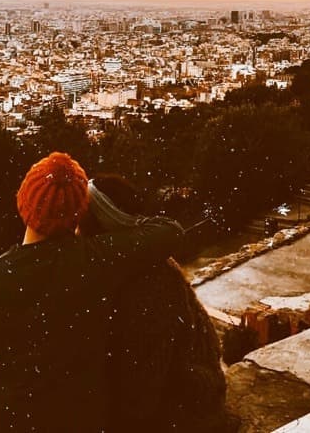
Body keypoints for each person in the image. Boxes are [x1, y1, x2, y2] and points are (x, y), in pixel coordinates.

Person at [0, 151, 183, 433]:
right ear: (79, 213)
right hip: (83, 424)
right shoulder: (100, 261)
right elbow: (171, 231)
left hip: (8, 425)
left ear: (23, 202)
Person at [79, 174, 231, 433]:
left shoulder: (150, 282)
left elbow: (144, 379)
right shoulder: (137, 263)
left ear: (101, 223)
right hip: (174, 394)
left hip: (184, 408)